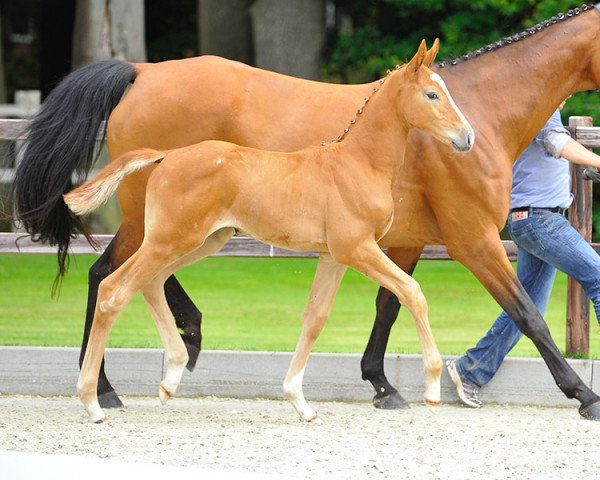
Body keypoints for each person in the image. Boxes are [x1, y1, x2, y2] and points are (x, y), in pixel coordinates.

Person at [447, 100, 600, 408]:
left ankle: (470, 371)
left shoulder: (531, 107)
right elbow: (557, 142)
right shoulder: (537, 106)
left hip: (533, 218)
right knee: (598, 276)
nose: (568, 94)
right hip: (539, 220)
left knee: (525, 309)